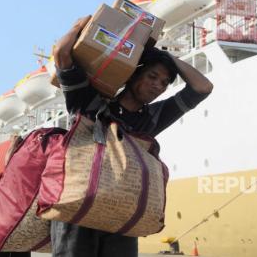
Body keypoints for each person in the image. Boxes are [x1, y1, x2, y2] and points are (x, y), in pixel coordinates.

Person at [51, 16, 213, 257]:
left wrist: (167, 58)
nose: (158, 85)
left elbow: (203, 88)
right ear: (134, 74)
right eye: (152, 76)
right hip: (78, 211)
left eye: (164, 82)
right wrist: (78, 27)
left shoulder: (154, 117)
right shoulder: (90, 101)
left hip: (121, 212)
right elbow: (63, 55)